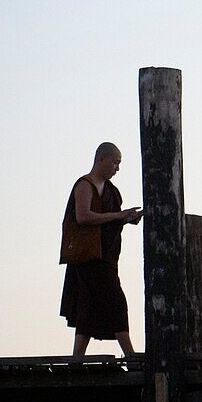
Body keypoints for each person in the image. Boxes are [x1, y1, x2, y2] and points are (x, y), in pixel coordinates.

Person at [59, 142, 142, 356]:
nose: (117, 169)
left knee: (88, 307)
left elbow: (108, 220)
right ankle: (131, 356)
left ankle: (76, 359)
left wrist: (127, 218)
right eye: (115, 163)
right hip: (89, 257)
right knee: (116, 302)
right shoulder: (85, 185)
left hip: (106, 256)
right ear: (101, 159)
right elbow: (83, 216)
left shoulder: (111, 191)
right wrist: (118, 215)